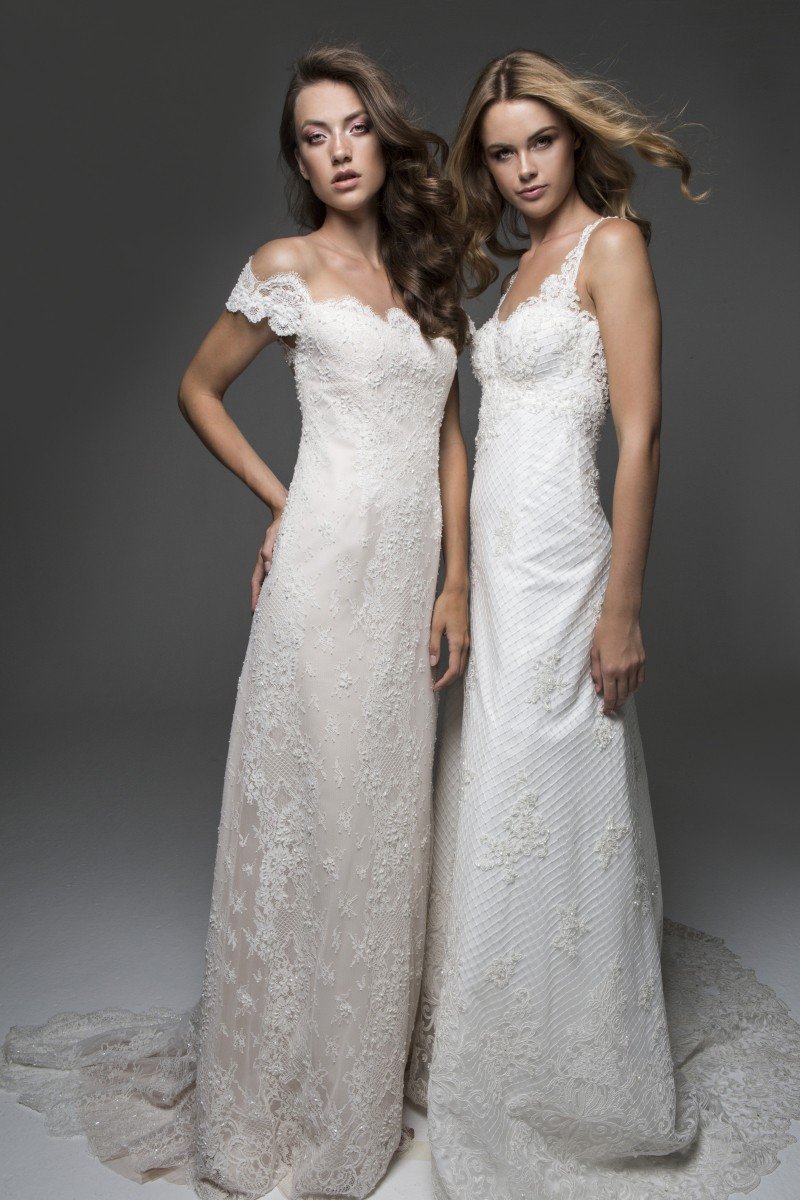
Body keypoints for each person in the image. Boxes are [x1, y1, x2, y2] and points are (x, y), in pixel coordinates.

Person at [1, 46, 470, 1200]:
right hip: (325, 573)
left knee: (381, 829)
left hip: (405, 584)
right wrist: (280, 502)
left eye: (352, 127)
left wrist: (455, 581)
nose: (338, 152)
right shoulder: (283, 266)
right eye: (313, 137)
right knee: (314, 821)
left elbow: (447, 434)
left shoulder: (422, 269)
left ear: (382, 136)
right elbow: (196, 389)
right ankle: (283, 1105)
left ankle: (357, 1084)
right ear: (297, 161)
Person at [408, 48, 800, 1200]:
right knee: (495, 796)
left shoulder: (610, 247)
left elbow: (641, 434)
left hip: (566, 570)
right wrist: (455, 581)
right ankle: (494, 1043)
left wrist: (621, 605)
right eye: (501, 153)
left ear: (573, 139)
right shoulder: (514, 269)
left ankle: (572, 1071)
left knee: (557, 794)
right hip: (496, 573)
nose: (523, 169)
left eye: (540, 142)